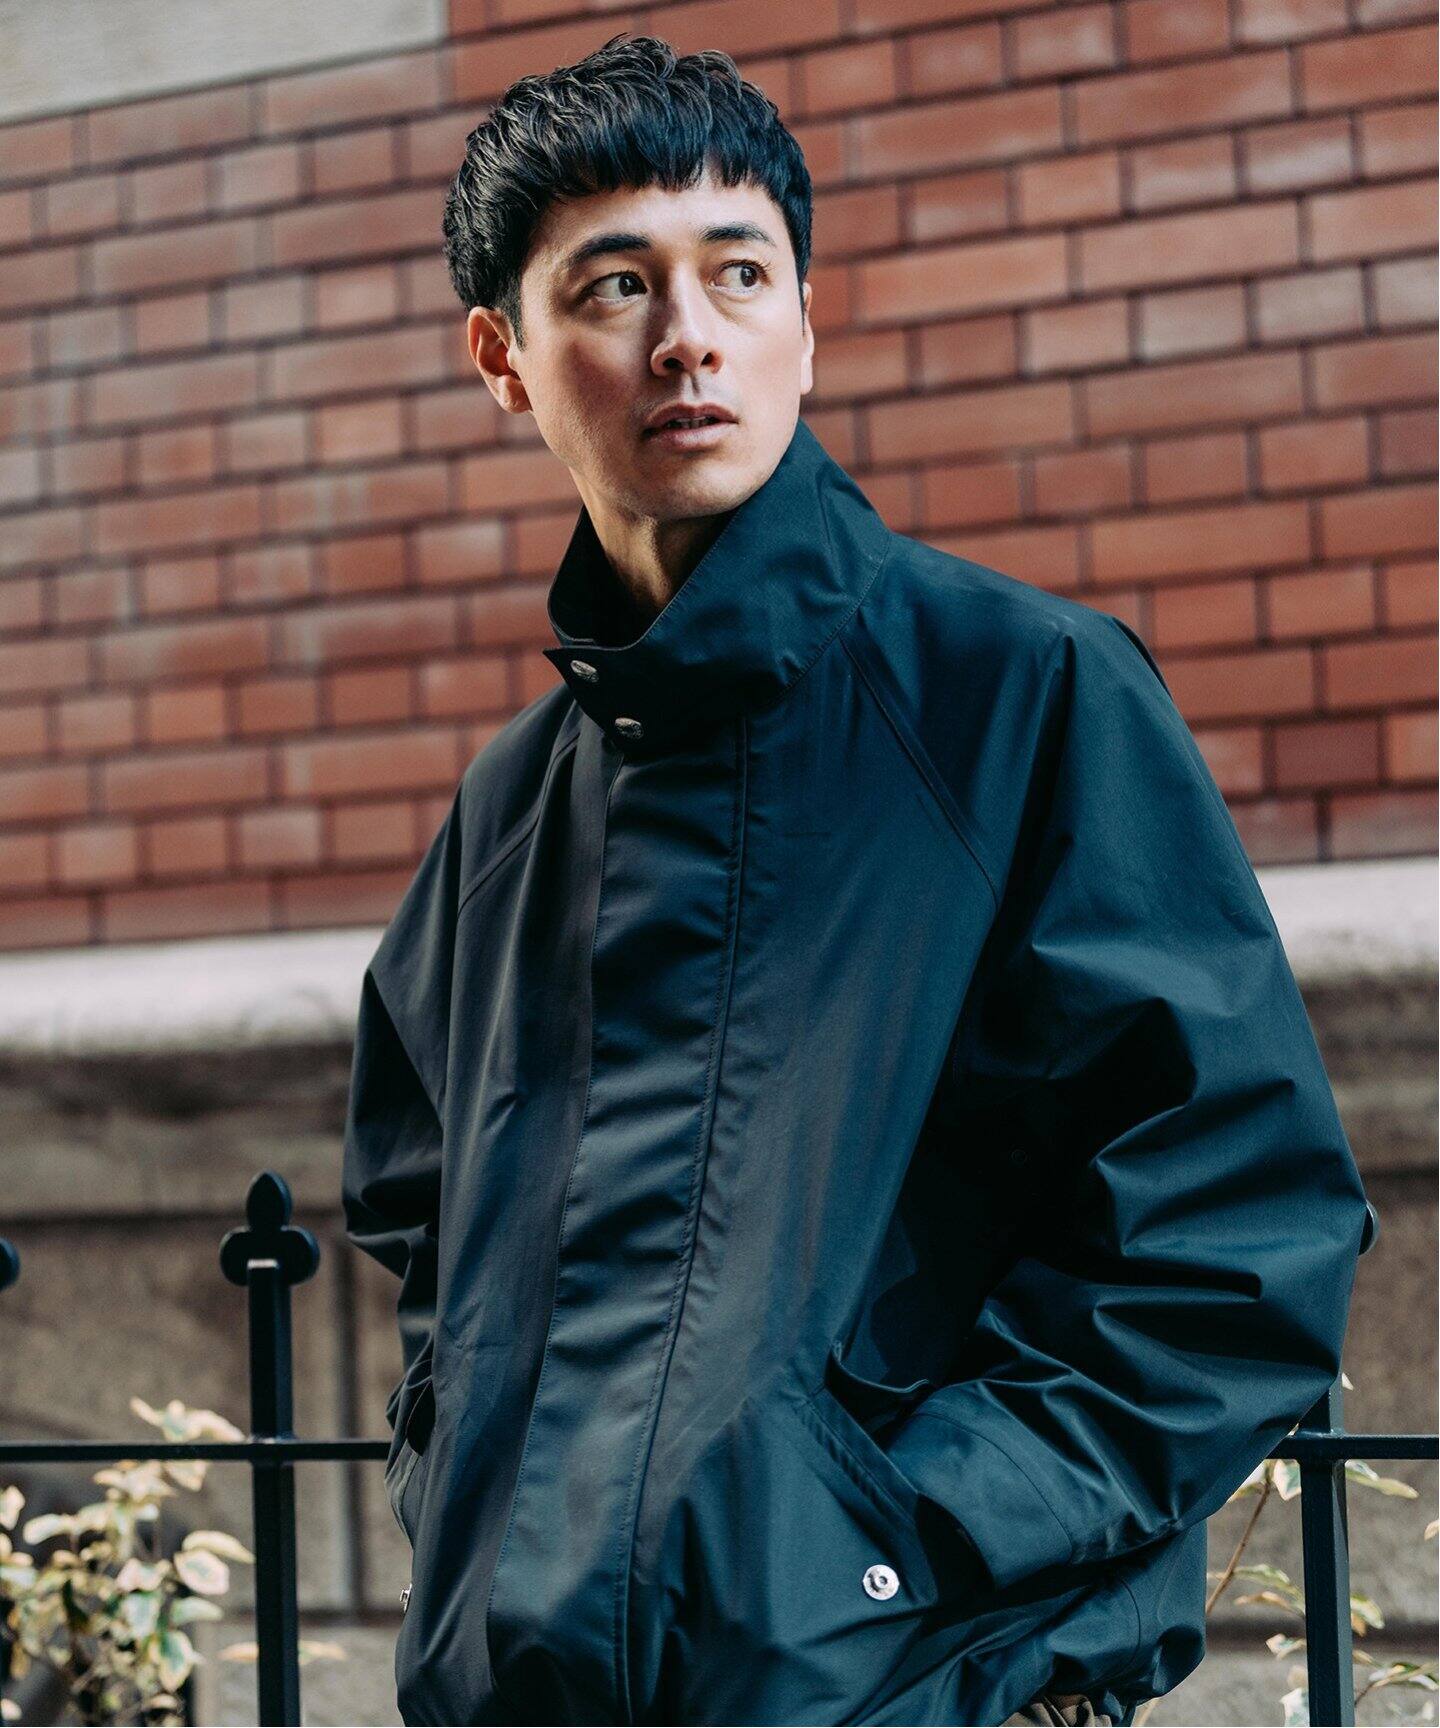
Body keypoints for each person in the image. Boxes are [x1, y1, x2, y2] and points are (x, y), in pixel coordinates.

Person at [341, 32, 1372, 1728]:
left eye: (738, 274)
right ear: (503, 358)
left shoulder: (1023, 694)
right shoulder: (507, 816)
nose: (687, 336)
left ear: (805, 327)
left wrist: (887, 1547)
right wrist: (472, 1511)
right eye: (614, 285)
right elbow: (418, 1220)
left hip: (918, 1689)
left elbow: (1233, 1233)